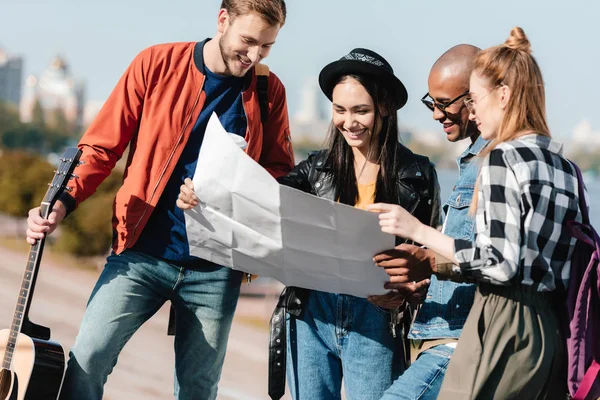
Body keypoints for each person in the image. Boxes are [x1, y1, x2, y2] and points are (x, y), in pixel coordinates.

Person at [24, 1, 293, 399]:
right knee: (88, 359)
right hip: (140, 252)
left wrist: (228, 191)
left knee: (198, 389)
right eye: (248, 41)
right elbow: (100, 147)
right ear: (222, 21)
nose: (254, 56)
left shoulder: (269, 91)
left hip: (216, 268)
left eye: (266, 47)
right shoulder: (155, 63)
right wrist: (61, 202)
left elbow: (278, 174)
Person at [179, 48, 441, 399]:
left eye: (360, 110)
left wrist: (410, 290)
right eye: (339, 110)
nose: (349, 122)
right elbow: (256, 205)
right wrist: (201, 196)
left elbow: (433, 257)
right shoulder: (315, 170)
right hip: (310, 315)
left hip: (376, 317)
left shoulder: (419, 174)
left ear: (384, 108)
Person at [369, 27, 583, 399]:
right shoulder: (564, 165)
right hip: (550, 336)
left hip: (499, 324)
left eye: (476, 98)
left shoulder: (502, 157)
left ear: (502, 95)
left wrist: (418, 231)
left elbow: (500, 263)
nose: (474, 109)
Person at [374, 44, 488, 400]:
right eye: (431, 103)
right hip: (442, 334)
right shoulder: (472, 162)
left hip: (460, 340)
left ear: (476, 97)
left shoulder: (495, 163)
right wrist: (422, 280)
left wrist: (425, 253)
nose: (436, 114)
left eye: (443, 103)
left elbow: (496, 259)